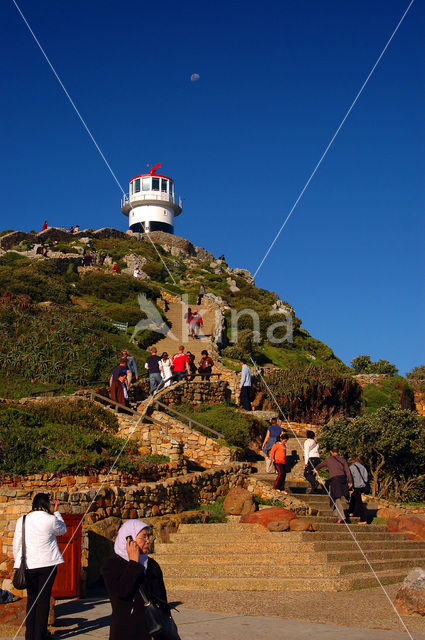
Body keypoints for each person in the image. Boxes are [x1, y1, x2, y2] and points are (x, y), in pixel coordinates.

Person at [102, 520, 168, 640]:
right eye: (143, 536)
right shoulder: (112, 565)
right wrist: (133, 563)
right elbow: (122, 593)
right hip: (125, 631)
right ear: (129, 539)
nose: (148, 540)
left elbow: (162, 599)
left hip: (152, 630)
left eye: (148, 536)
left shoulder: (152, 565)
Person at [13, 493, 66, 640]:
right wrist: (56, 512)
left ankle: (29, 635)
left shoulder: (22, 520)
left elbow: (17, 543)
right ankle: (40, 634)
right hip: (47, 564)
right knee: (43, 600)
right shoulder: (50, 519)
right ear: (46, 504)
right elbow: (62, 530)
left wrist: (18, 562)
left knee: (32, 598)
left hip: (28, 564)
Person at [314, 447, 353, 523]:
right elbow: (347, 471)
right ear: (338, 452)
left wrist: (315, 469)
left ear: (331, 452)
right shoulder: (343, 460)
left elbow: (320, 465)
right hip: (343, 479)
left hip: (335, 479)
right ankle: (335, 513)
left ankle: (341, 516)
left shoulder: (328, 460)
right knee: (337, 496)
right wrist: (350, 481)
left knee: (336, 497)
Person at [349, 457, 369, 524]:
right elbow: (366, 478)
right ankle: (350, 511)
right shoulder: (363, 467)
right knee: (353, 496)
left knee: (359, 503)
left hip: (357, 486)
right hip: (363, 486)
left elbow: (350, 477)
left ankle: (363, 519)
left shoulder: (352, 467)